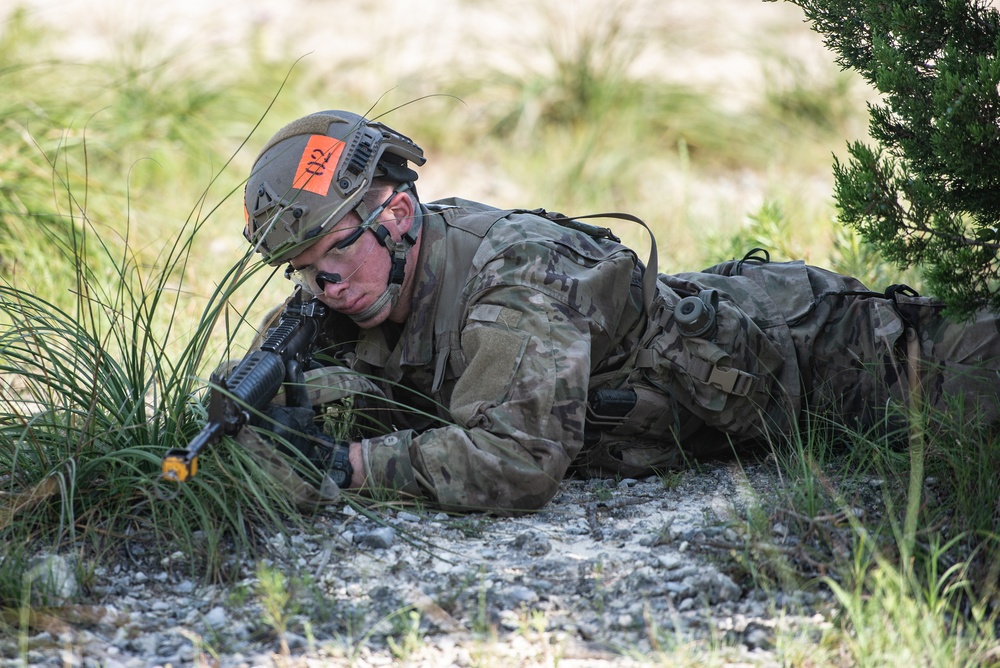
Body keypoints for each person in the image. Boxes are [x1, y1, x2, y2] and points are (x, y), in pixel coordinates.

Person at [235, 109, 1000, 514]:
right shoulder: (346, 295)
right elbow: (252, 402)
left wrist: (349, 464)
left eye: (331, 254)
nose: (318, 285)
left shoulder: (517, 279)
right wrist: (268, 417)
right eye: (298, 270)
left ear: (398, 215)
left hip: (835, 358)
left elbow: (515, 462)